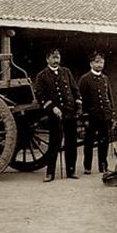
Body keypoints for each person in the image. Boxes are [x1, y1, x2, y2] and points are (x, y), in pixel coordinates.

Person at [34, 48, 82, 182]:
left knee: (71, 143)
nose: (56, 60)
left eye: (58, 57)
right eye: (54, 58)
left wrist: (77, 106)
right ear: (47, 59)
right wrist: (53, 108)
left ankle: (71, 171)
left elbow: (75, 90)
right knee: (54, 143)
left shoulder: (66, 72)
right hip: (54, 114)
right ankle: (50, 173)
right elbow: (40, 95)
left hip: (70, 112)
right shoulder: (42, 76)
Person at [78, 51, 114, 175]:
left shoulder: (105, 78)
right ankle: (87, 167)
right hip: (91, 116)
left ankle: (103, 166)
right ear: (91, 63)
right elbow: (81, 99)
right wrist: (84, 116)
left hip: (104, 115)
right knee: (89, 141)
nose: (99, 65)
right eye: (97, 62)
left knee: (104, 142)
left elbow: (109, 96)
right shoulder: (85, 79)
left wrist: (111, 113)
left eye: (102, 62)